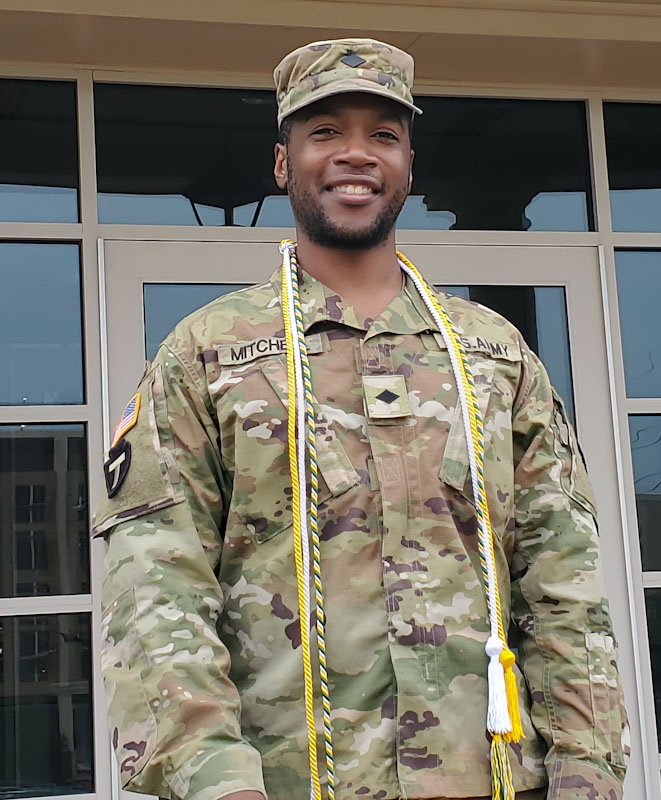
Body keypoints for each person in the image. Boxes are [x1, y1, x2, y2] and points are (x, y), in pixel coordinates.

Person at [94, 38, 629, 800]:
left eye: (383, 135)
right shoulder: (205, 355)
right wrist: (214, 779)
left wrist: (586, 770)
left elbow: (563, 583)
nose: (355, 155)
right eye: (323, 133)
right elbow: (156, 589)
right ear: (282, 163)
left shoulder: (495, 356)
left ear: (409, 165)